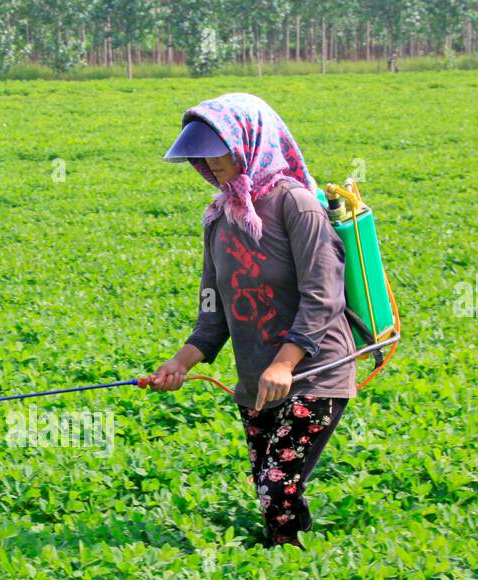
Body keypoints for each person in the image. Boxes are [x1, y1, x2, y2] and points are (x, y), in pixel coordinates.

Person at [149, 93, 356, 549]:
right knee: (272, 489)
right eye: (201, 152)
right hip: (257, 379)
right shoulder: (220, 217)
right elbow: (212, 311)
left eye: (218, 149)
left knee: (276, 484)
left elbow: (323, 296)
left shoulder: (296, 205)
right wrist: (179, 363)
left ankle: (287, 575)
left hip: (315, 371)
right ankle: (291, 555)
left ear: (248, 142)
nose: (209, 162)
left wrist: (284, 364)